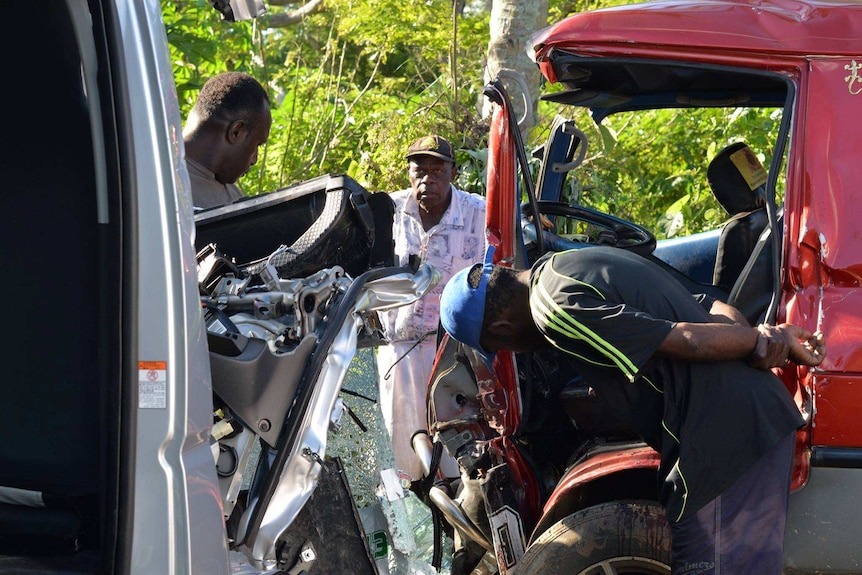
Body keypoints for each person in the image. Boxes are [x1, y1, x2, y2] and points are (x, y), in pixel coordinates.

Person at [439, 245, 826, 574]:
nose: (516, 353)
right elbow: (710, 307)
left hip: (723, 444)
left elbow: (686, 340)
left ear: (503, 331)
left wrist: (763, 340)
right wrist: (760, 339)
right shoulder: (572, 263)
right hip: (745, 424)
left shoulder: (554, 310)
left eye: (504, 347)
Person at [377, 135, 486, 485]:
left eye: (437, 170)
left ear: (452, 172)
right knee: (403, 448)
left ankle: (464, 515)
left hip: (454, 353)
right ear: (408, 173)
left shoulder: (479, 213)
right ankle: (415, 518)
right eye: (420, 170)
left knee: (459, 445)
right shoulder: (388, 214)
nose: (428, 180)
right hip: (398, 351)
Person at [183, 71, 272, 210]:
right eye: (256, 145)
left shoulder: (233, 195)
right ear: (236, 131)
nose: (254, 160)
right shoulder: (157, 182)